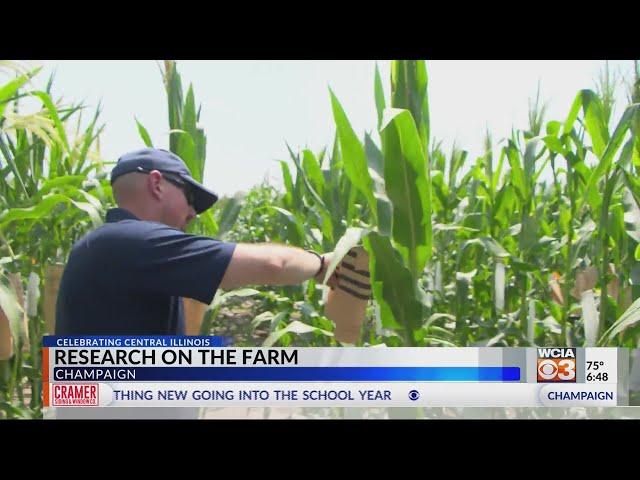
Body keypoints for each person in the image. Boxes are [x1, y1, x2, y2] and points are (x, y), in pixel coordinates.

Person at [55, 148, 336, 335]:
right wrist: (322, 263)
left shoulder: (107, 246)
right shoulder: (131, 242)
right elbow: (274, 264)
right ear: (156, 184)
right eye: (190, 199)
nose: (192, 213)